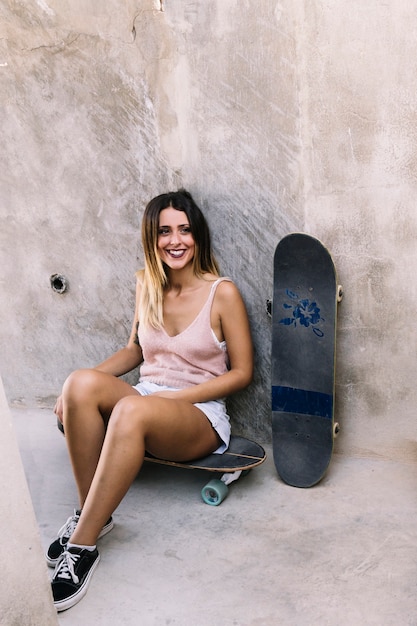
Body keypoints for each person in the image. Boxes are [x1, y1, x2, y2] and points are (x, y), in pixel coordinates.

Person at [47, 189, 254, 611]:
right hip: (144, 399)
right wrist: (74, 389)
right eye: (164, 231)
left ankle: (82, 547)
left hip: (197, 414)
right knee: (80, 383)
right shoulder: (147, 283)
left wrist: (180, 397)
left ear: (197, 236)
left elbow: (242, 373)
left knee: (131, 408)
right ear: (151, 237)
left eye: (184, 230)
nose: (175, 240)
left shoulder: (222, 293)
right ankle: (95, 516)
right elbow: (135, 351)